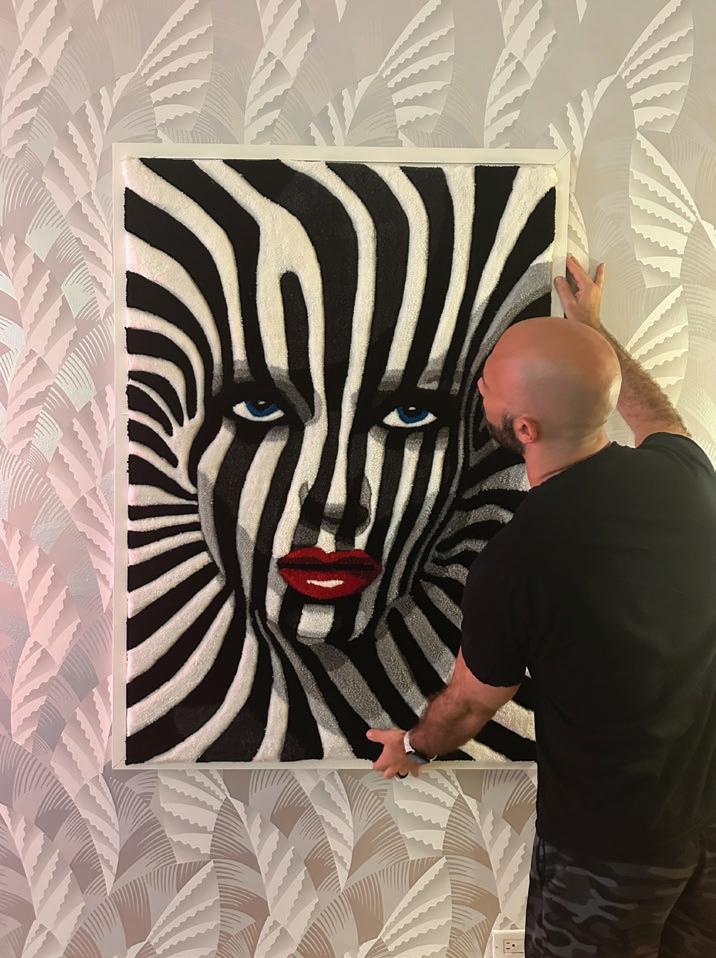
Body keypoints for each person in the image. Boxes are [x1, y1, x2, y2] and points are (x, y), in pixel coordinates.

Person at [368, 255, 716, 957]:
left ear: (523, 429)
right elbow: (655, 414)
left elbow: (469, 704)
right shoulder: (686, 475)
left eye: (489, 385)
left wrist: (412, 747)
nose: (477, 387)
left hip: (608, 854)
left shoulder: (515, 561)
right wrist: (592, 330)